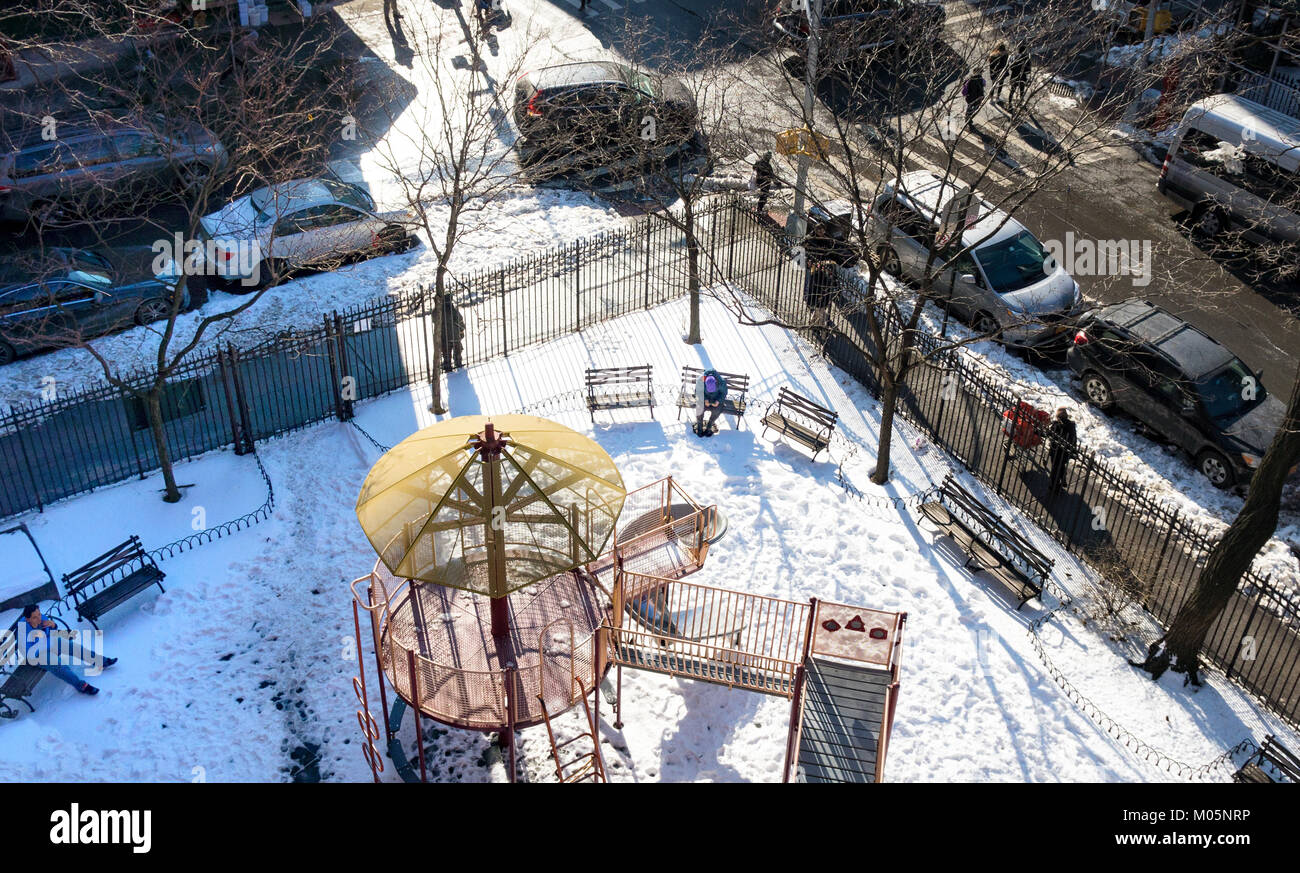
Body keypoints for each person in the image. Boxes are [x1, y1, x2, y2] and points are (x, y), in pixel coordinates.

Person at [16, 605, 116, 695]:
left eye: (39, 614)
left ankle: (100, 661)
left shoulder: (42, 618)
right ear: (27, 619)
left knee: (74, 647)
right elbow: (28, 652)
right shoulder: (23, 630)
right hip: (36, 655)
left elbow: (52, 633)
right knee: (58, 664)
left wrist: (53, 625)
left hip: (48, 643)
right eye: (35, 617)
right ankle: (81, 685)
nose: (39, 618)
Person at [1047, 406, 1078, 496]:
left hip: (1056, 451)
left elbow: (1050, 434)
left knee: (1055, 468)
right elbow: (1073, 439)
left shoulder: (1056, 425)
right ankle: (1062, 478)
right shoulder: (1071, 425)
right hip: (1066, 452)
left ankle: (1054, 486)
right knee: (1061, 465)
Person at [694, 369, 728, 437]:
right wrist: (705, 399)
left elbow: (723, 393)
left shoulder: (721, 382)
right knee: (699, 409)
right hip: (704, 399)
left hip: (716, 399)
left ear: (715, 382)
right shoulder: (700, 380)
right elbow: (698, 392)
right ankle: (699, 428)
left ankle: (709, 427)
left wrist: (718, 401)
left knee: (717, 410)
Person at [438, 294, 465, 371]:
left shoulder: (440, 311)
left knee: (446, 352)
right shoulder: (454, 310)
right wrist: (462, 330)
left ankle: (447, 364)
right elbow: (460, 320)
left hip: (445, 336)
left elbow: (434, 319)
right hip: (455, 335)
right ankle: (458, 361)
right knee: (457, 349)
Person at [752, 151, 777, 215]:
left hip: (759, 181)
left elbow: (754, 168)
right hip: (765, 183)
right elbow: (772, 175)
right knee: (764, 196)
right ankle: (759, 209)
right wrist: (777, 183)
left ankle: (759, 208)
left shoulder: (759, 162)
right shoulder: (768, 166)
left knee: (763, 195)